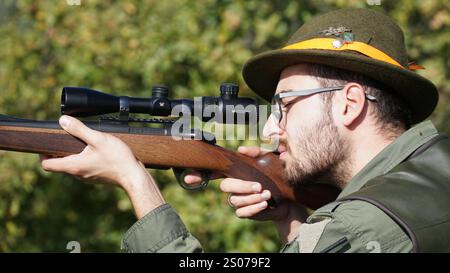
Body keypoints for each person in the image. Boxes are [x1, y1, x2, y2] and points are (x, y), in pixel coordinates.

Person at [40, 8, 450, 253]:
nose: (271, 126)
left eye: (285, 104)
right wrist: (292, 218)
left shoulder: (361, 224)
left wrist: (135, 180)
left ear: (350, 103)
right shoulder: (435, 168)